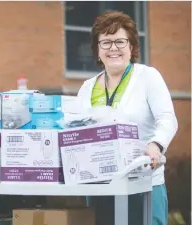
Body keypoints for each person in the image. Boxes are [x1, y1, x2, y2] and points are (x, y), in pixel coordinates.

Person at [76, 11, 178, 225]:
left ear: (131, 47)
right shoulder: (86, 88)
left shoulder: (148, 77)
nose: (113, 48)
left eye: (120, 41)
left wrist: (156, 145)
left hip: (144, 185)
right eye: (106, 42)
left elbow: (167, 118)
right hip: (101, 188)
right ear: (97, 50)